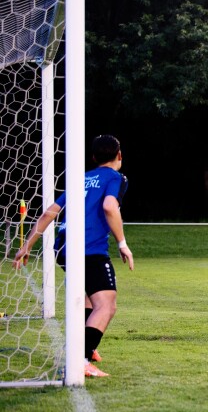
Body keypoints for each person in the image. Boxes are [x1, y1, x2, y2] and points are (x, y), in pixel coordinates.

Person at [13, 135, 134, 378]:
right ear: (119, 155)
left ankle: (85, 348)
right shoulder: (115, 177)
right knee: (106, 305)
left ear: (93, 157)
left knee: (90, 301)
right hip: (89, 249)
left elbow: (50, 213)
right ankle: (81, 358)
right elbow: (110, 206)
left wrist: (27, 245)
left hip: (65, 249)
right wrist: (122, 243)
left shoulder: (81, 179)